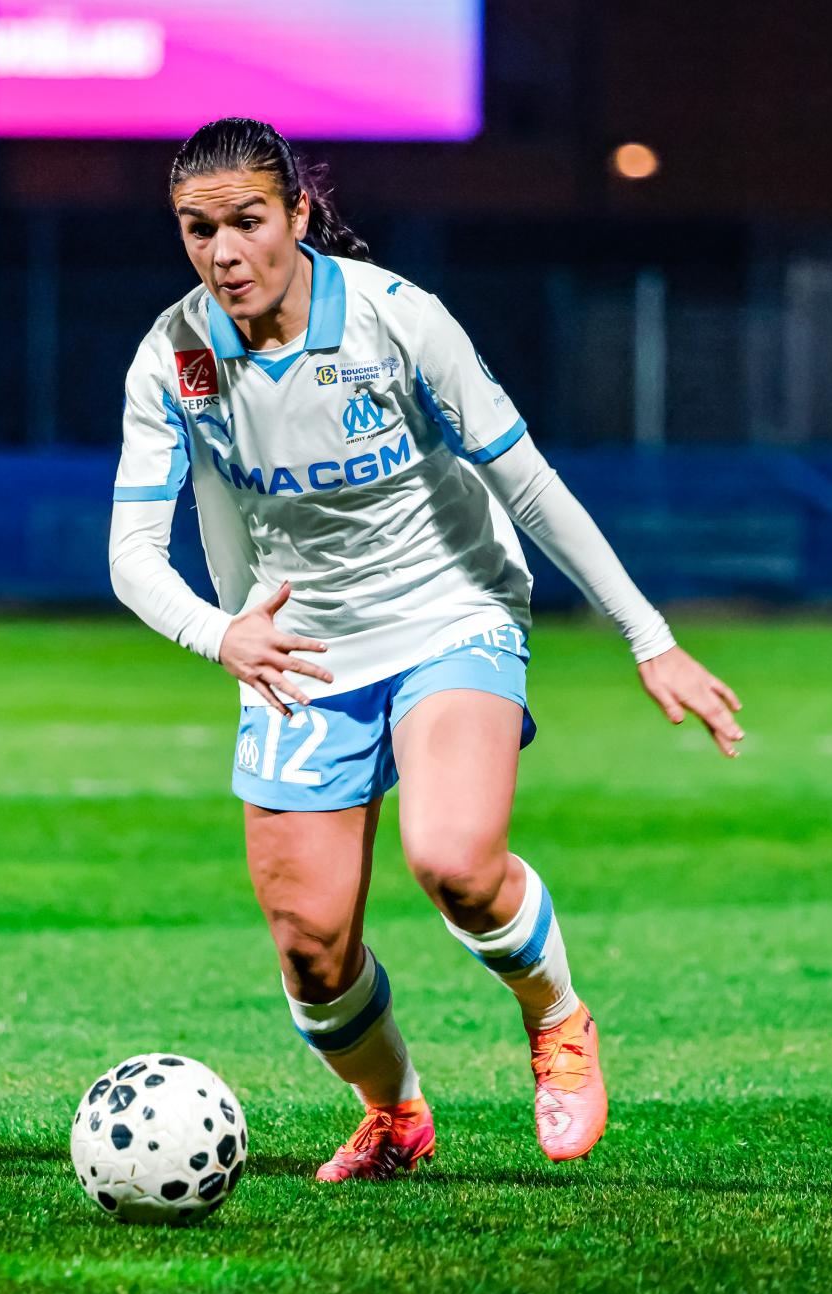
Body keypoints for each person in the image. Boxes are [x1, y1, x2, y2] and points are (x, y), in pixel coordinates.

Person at [108, 117, 744, 1181]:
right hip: (297, 650)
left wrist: (650, 636)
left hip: (451, 609)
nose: (223, 252)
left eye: (247, 222)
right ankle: (393, 1110)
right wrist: (224, 635)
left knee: (451, 857)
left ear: (299, 215)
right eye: (196, 228)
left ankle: (557, 1019)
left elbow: (526, 481)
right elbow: (130, 552)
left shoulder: (399, 322)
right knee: (311, 950)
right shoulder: (172, 356)